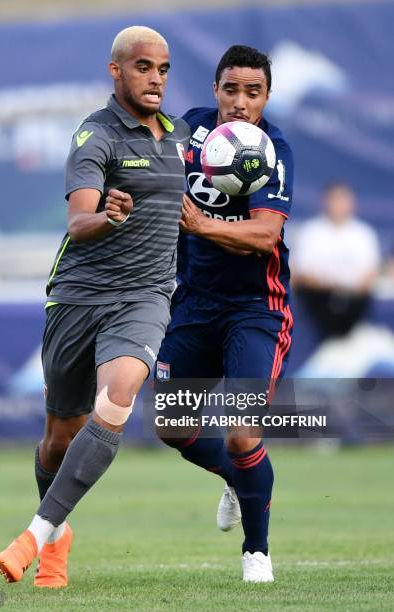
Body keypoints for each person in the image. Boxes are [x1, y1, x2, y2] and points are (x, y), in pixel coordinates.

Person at [0, 25, 189, 587]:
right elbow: (78, 224)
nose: (155, 79)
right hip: (78, 299)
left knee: (120, 395)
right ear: (116, 71)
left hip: (144, 299)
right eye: (143, 67)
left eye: (164, 69)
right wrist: (109, 215)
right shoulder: (95, 136)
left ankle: (34, 534)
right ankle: (59, 535)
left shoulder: (179, 139)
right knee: (59, 437)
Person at [155, 45, 294, 582]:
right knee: (170, 424)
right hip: (193, 303)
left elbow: (263, 234)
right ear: (215, 91)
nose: (240, 102)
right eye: (231, 90)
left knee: (241, 431)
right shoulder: (188, 132)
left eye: (252, 92)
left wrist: (202, 226)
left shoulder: (273, 149)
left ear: (266, 97)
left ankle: (256, 553)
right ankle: (238, 480)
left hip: (256, 309)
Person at [292, 182, 381, 339]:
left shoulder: (364, 233)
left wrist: (346, 291)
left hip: (355, 301)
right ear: (325, 201)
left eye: (344, 199)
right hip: (317, 299)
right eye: (335, 199)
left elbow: (370, 275)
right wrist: (332, 288)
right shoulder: (310, 231)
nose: (339, 205)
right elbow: (302, 274)